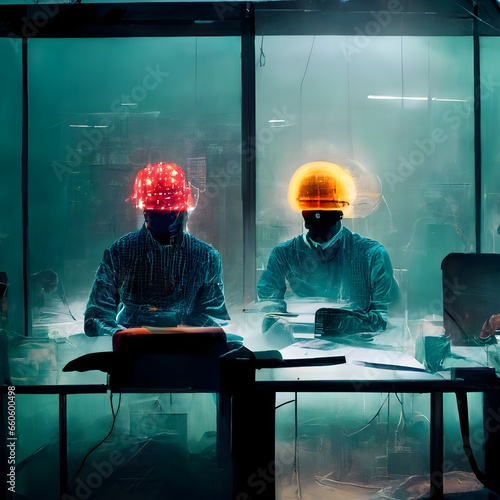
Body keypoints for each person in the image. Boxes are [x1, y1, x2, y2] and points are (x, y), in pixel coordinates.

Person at [84, 162, 230, 337]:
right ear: (146, 212)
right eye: (162, 212)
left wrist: (185, 334)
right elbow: (97, 314)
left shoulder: (206, 257)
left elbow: (213, 315)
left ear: (185, 211)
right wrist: (124, 337)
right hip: (132, 352)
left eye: (174, 211)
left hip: (184, 350)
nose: (170, 219)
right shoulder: (121, 251)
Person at [257, 161, 397, 340]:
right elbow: (269, 306)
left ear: (340, 213)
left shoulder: (372, 255)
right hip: (297, 350)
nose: (318, 229)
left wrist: (329, 321)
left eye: (324, 218)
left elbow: (384, 319)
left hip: (357, 352)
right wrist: (277, 324)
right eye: (313, 216)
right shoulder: (283, 254)